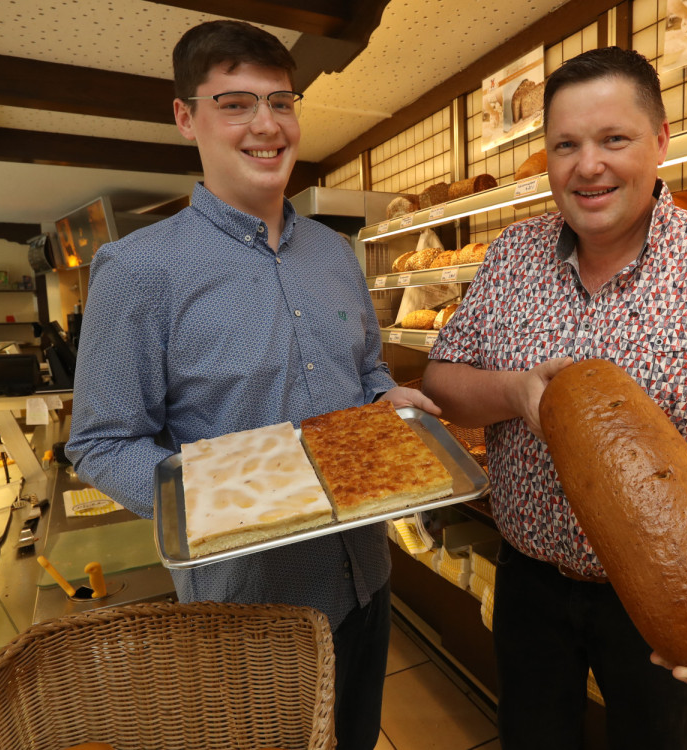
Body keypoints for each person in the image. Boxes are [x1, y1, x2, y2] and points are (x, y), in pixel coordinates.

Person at [422, 46, 687, 749]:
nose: (589, 165)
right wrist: (516, 392)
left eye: (615, 139)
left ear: (661, 140)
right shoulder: (511, 256)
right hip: (529, 581)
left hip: (665, 597)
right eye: (566, 145)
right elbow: (443, 383)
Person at [64, 20, 437, 750]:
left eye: (281, 102)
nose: (266, 125)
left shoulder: (336, 254)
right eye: (235, 104)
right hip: (248, 612)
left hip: (366, 577)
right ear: (185, 117)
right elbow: (103, 442)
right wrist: (230, 499)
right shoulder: (139, 270)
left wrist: (386, 399)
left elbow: (363, 373)